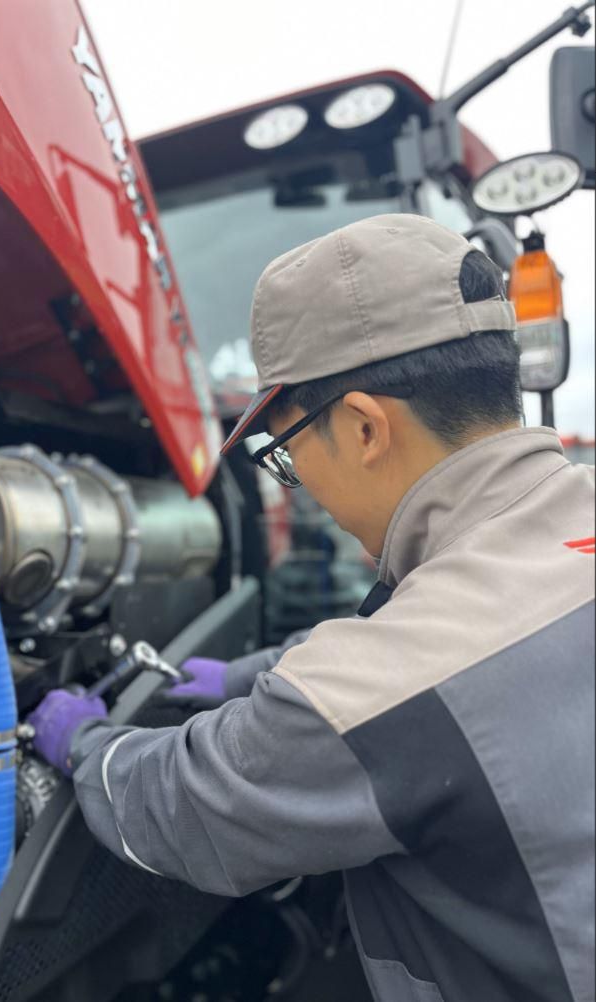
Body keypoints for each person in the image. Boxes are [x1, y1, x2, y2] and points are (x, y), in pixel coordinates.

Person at [29, 214, 595, 1002]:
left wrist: (86, 742)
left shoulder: (388, 686)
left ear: (364, 428)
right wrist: (248, 675)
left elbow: (187, 809)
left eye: (285, 454)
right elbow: (430, 648)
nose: (297, 485)